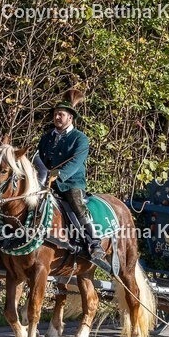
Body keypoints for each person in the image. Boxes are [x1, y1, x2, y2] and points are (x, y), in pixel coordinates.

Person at [34, 89, 105, 263]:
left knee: (76, 202)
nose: (57, 117)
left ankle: (94, 242)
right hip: (45, 181)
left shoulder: (80, 139)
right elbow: (40, 158)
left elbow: (76, 162)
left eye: (61, 115)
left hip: (70, 182)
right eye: (55, 114)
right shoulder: (46, 137)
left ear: (70, 118)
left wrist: (59, 175)